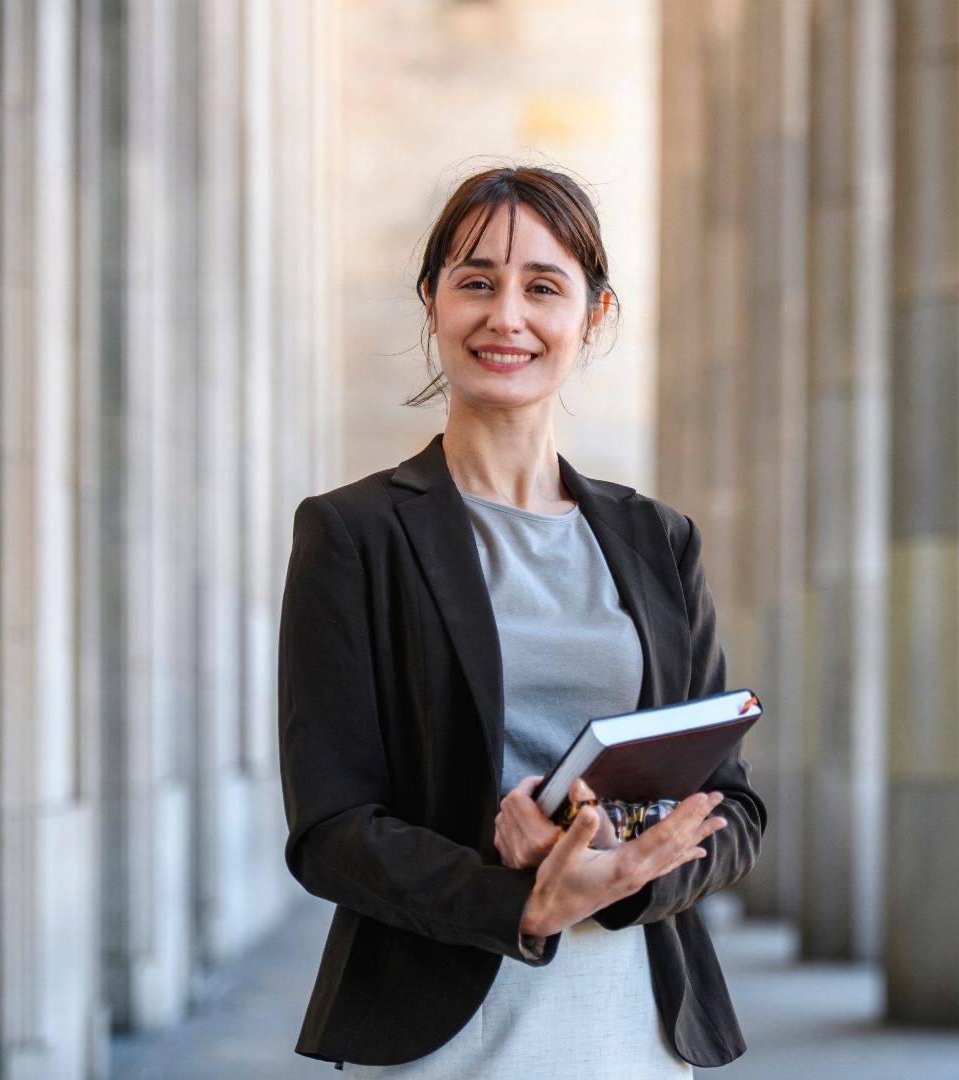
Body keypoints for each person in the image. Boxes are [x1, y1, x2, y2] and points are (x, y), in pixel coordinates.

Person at [277, 165, 765, 1077]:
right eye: (475, 282)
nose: (506, 315)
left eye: (543, 286)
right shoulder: (352, 534)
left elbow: (732, 806)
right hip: (436, 1034)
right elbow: (330, 829)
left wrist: (623, 869)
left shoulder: (659, 540)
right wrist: (525, 903)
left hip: (639, 1029)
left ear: (594, 315)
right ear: (432, 305)